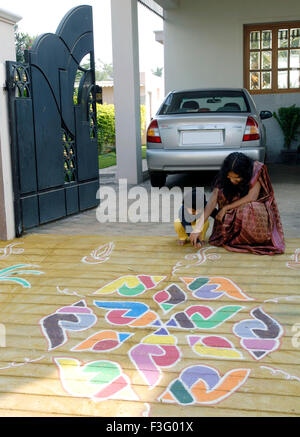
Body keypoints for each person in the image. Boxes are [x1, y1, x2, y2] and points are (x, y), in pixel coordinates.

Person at [190, 152, 285, 255]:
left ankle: (249, 238)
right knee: (221, 192)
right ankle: (232, 234)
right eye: (229, 177)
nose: (232, 180)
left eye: (236, 178)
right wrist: (198, 227)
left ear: (245, 173)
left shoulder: (256, 170)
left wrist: (226, 208)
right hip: (231, 215)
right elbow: (213, 201)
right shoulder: (223, 176)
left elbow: (252, 197)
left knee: (251, 207)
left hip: (251, 215)